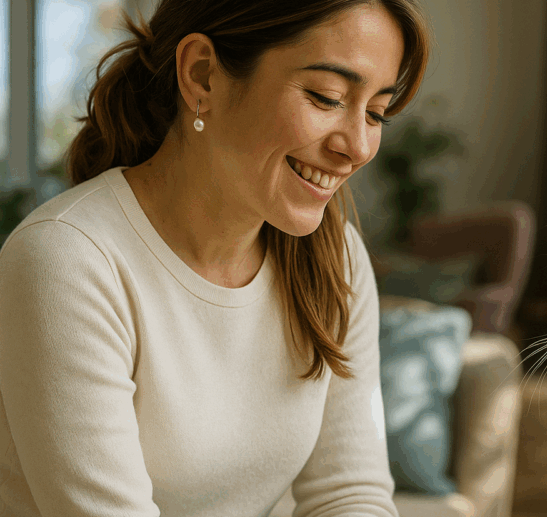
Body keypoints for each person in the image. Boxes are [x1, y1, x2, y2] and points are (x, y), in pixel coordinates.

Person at [0, 0, 429, 515]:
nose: (358, 146)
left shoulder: (335, 257)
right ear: (202, 75)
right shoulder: (66, 261)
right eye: (326, 96)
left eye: (377, 112)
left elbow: (350, 492)